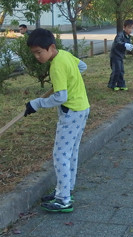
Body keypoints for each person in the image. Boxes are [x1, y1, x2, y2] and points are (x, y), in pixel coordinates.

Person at [24, 28, 90, 213]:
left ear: (51, 47)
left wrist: (36, 104)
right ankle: (66, 190)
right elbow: (82, 66)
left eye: (39, 52)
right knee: (72, 152)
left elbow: (60, 97)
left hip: (71, 112)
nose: (37, 57)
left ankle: (63, 200)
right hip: (82, 108)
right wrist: (69, 79)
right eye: (34, 53)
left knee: (60, 154)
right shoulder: (65, 55)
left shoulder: (56, 66)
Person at [108, 19, 133, 91]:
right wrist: (125, 44)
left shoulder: (128, 36)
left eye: (132, 28)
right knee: (116, 70)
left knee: (121, 70)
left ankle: (121, 84)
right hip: (115, 55)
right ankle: (112, 84)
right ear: (124, 27)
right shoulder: (120, 34)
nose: (130, 30)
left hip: (120, 55)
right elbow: (118, 42)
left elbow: (127, 46)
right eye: (129, 28)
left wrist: (132, 47)